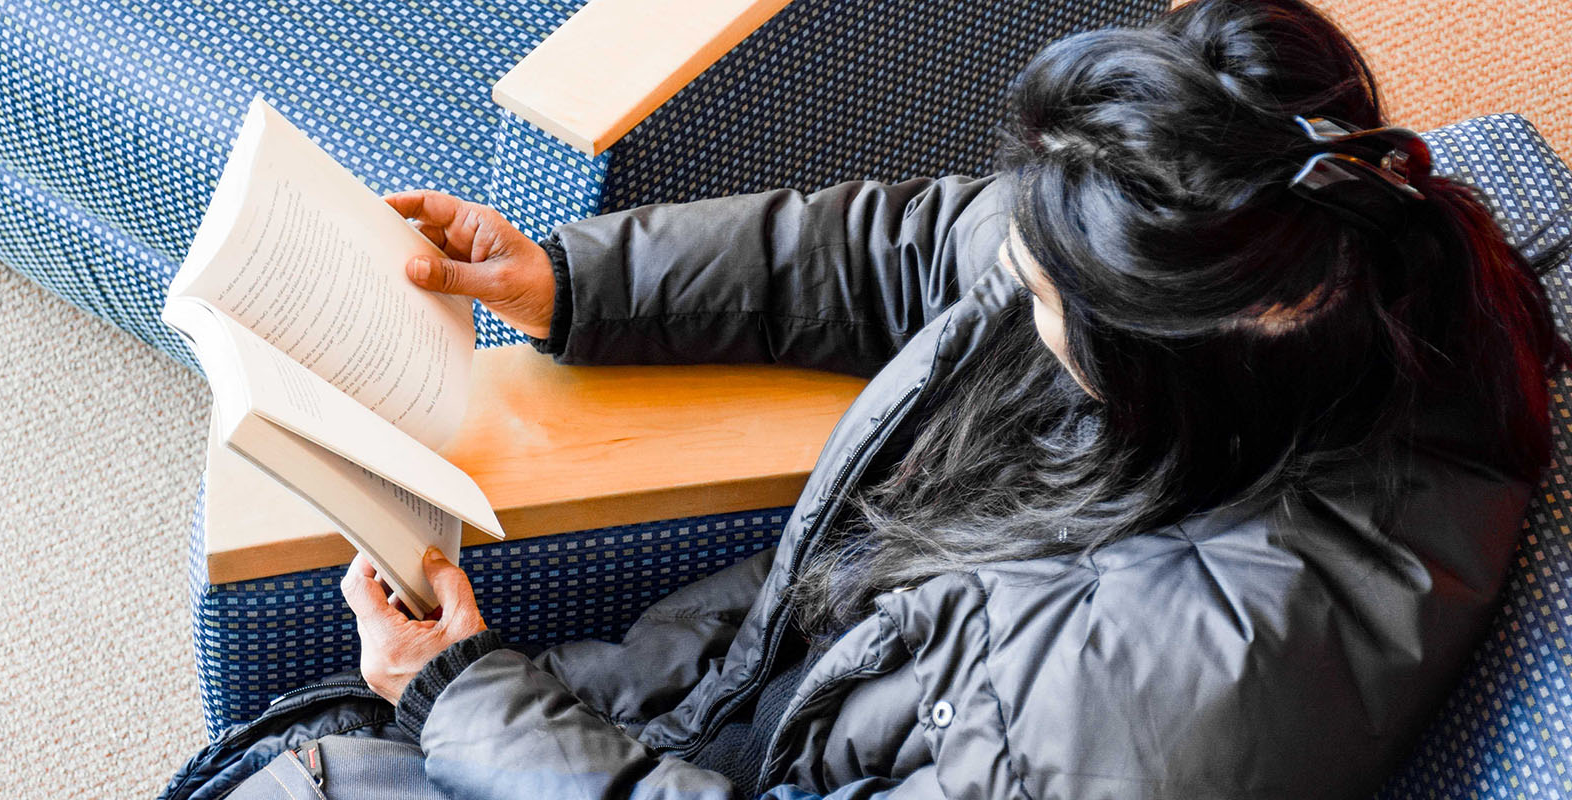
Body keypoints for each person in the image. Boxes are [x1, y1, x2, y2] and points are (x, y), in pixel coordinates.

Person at [163, 0, 1566, 796]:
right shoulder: (1265, 251)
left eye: (1045, 290)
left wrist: (475, 706)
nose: (1005, 271)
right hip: (782, 681)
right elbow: (907, 243)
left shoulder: (1155, 717)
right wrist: (574, 284)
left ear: (1189, 359)